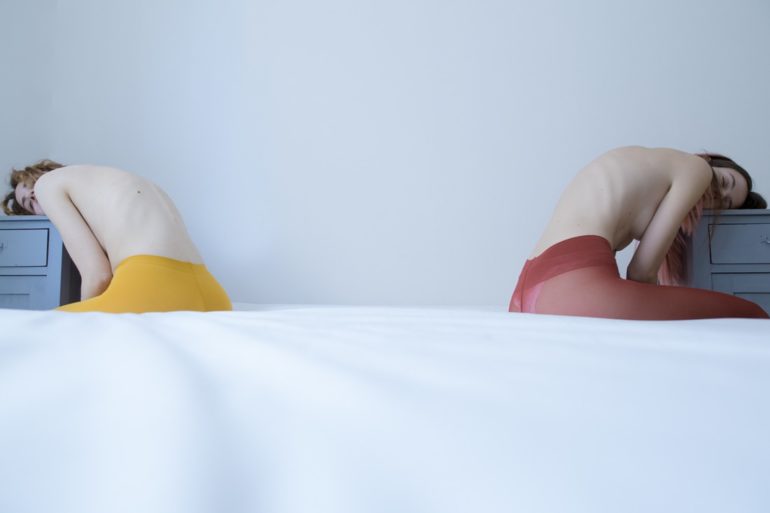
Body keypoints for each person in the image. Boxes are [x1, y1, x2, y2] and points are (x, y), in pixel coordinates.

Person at [509, 146, 768, 320]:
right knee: (752, 312)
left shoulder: (651, 166)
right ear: (710, 161)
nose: (718, 194)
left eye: (725, 203)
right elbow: (641, 272)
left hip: (527, 288)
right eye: (724, 182)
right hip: (572, 285)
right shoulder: (696, 169)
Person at [3, 160, 232, 313]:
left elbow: (98, 276)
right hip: (213, 294)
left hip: (155, 285)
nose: (34, 196)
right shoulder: (111, 180)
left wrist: (86, 321)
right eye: (29, 204)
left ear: (40, 175)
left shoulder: (47, 185)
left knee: (46, 326)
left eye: (31, 186)